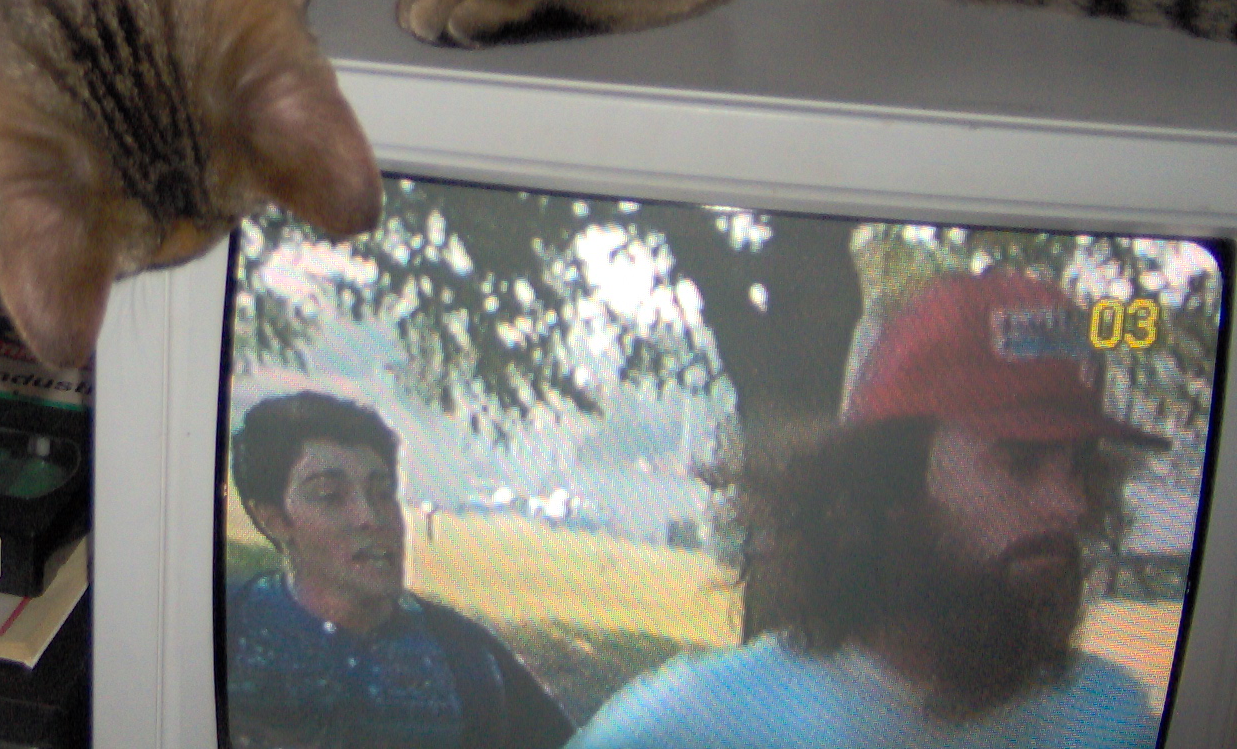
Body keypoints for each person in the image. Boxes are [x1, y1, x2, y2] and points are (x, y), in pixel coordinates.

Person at [570, 268, 1168, 749]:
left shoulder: (1109, 721)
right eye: (1020, 462)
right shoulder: (701, 727)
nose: (1072, 504)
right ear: (888, 483)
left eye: (1082, 466)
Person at [226, 390, 574, 749]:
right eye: (331, 495)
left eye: (382, 492)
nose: (371, 517)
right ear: (273, 520)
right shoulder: (227, 628)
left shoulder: (468, 660)